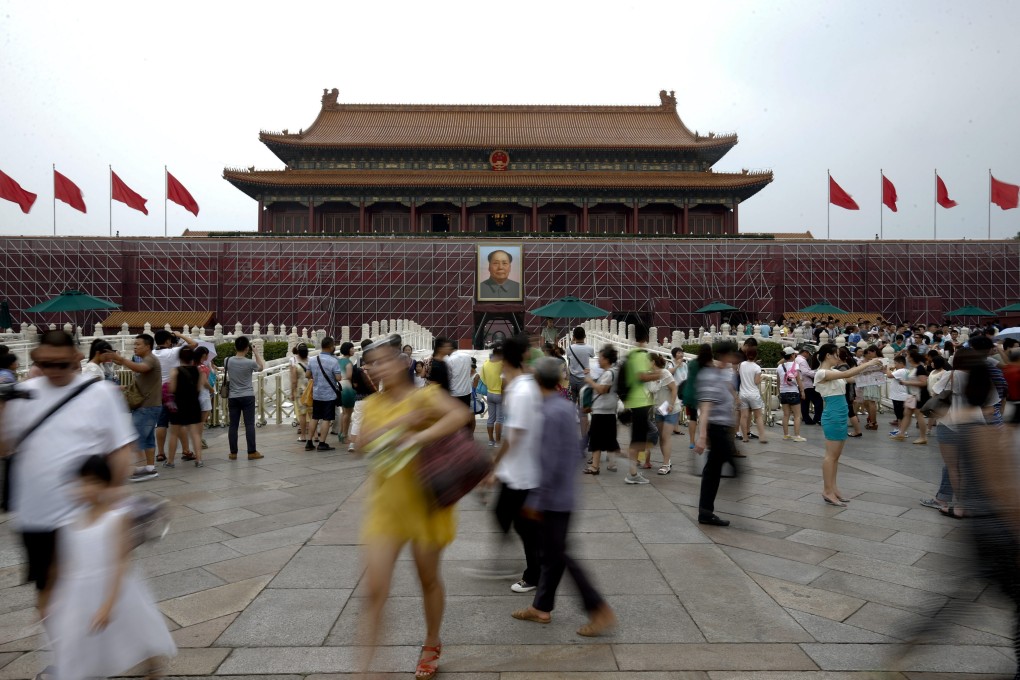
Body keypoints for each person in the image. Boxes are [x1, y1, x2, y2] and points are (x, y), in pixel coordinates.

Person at [354, 335, 473, 679]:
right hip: (386, 506)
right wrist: (393, 426)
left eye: (383, 361)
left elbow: (461, 415)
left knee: (428, 579)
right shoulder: (372, 404)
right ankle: (367, 668)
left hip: (426, 503)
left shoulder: (426, 396)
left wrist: (419, 434)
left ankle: (432, 641)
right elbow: (361, 445)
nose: (376, 369)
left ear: (402, 362)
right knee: (374, 588)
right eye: (370, 364)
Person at [0, 330, 136, 620]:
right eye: (46, 364)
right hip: (36, 514)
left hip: (84, 515)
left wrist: (113, 492)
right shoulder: (23, 394)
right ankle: (61, 646)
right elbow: (4, 448)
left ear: (76, 357)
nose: (54, 371)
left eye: (62, 364)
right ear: (36, 358)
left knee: (92, 586)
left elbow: (121, 448)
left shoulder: (99, 393)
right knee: (46, 590)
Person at [510, 357, 616, 637]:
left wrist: (536, 499)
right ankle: (541, 607)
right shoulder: (565, 407)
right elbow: (576, 449)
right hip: (565, 491)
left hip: (552, 497)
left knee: (559, 555)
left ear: (537, 381)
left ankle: (598, 608)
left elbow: (549, 462)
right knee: (553, 555)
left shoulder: (547, 413)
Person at [47, 455, 176, 680]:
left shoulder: (115, 519)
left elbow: (121, 562)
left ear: (106, 486)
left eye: (94, 482)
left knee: (137, 628)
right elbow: (63, 563)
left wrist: (108, 604)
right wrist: (54, 594)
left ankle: (153, 667)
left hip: (117, 588)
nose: (86, 488)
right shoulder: (70, 522)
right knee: (79, 638)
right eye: (82, 482)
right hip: (80, 592)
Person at [483, 334, 542, 592]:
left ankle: (533, 574)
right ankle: (529, 568)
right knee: (515, 519)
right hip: (523, 468)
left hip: (522, 471)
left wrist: (495, 465)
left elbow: (513, 435)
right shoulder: (527, 385)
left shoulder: (521, 391)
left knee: (519, 521)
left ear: (504, 360)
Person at [813, 344, 884, 507]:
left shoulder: (834, 372)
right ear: (828, 355)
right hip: (833, 414)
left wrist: (875, 370)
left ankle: (833, 489)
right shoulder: (822, 373)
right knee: (831, 456)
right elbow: (847, 374)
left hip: (840, 413)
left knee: (835, 456)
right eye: (836, 355)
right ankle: (827, 490)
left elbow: (853, 378)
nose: (838, 358)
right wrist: (869, 363)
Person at [693, 342, 741, 526]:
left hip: (722, 429)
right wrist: (702, 436)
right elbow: (705, 408)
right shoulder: (710, 375)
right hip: (716, 429)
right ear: (725, 355)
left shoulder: (721, 373)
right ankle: (706, 512)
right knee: (716, 471)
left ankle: (706, 511)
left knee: (713, 470)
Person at [108, 335, 162, 482]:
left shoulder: (150, 359)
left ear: (148, 346)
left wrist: (122, 360)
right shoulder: (147, 359)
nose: (135, 347)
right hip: (149, 405)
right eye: (134, 344)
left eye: (138, 344)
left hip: (147, 406)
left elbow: (141, 368)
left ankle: (138, 470)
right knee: (148, 439)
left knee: (136, 439)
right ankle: (149, 468)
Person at [152, 330, 198, 463]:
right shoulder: (173, 352)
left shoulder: (152, 353)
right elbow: (194, 344)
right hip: (174, 391)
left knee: (161, 423)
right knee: (179, 423)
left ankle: (160, 453)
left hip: (158, 391)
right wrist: (179, 335)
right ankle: (186, 450)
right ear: (168, 340)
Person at [622, 326, 658, 485]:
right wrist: (658, 374)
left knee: (639, 438)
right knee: (639, 439)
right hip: (639, 401)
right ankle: (632, 473)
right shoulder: (640, 355)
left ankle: (634, 471)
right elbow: (641, 376)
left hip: (636, 401)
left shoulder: (632, 354)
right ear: (647, 338)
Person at [166, 347, 207, 468]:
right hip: (194, 404)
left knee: (174, 433)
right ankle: (199, 460)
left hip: (179, 404)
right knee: (195, 433)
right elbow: (199, 388)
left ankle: (170, 461)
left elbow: (172, 388)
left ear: (179, 357)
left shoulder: (175, 371)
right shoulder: (198, 371)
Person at [225, 336, 264, 461]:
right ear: (247, 348)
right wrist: (256, 353)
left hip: (233, 396)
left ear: (235, 346)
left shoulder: (227, 360)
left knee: (233, 425)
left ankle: (233, 453)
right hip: (247, 396)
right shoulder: (249, 363)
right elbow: (261, 367)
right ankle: (251, 452)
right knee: (249, 424)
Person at [584, 345, 620, 475]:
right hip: (608, 409)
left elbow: (602, 390)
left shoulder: (609, 373)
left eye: (600, 357)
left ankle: (595, 466)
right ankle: (611, 463)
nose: (598, 360)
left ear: (606, 359)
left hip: (602, 410)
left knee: (596, 438)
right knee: (609, 438)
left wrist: (590, 381)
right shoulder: (612, 371)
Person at [308, 337, 342, 452]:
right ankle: (322, 443)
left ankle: (309, 442)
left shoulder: (313, 359)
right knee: (326, 419)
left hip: (317, 393)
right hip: (329, 394)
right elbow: (338, 378)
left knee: (315, 417)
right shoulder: (334, 361)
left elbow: (307, 375)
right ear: (331, 347)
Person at [649, 353, 679, 474]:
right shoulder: (649, 376)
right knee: (662, 437)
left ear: (652, 362)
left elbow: (674, 389)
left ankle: (666, 465)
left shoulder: (665, 373)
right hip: (659, 409)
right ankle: (667, 461)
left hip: (670, 408)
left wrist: (671, 404)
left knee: (666, 436)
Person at [736, 345, 768, 445]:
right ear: (756, 355)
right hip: (753, 394)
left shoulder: (741, 365)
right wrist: (762, 377)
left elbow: (739, 375)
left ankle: (745, 437)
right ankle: (762, 436)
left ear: (746, 354)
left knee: (743, 416)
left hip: (743, 393)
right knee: (758, 416)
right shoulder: (757, 367)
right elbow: (756, 381)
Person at [682, 345, 711, 451]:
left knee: (692, 418)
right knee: (705, 417)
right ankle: (705, 440)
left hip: (690, 394)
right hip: (703, 394)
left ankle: (692, 442)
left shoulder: (692, 363)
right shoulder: (708, 365)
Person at [777, 347, 807, 442]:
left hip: (783, 392)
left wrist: (779, 392)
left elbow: (778, 382)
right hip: (793, 391)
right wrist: (802, 391)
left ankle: (786, 435)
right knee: (797, 415)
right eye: (794, 354)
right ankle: (797, 436)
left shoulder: (779, 367)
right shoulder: (795, 365)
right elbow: (798, 380)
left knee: (786, 415)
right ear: (792, 355)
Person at [479, 345, 505, 447]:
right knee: (499, 419)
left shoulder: (486, 364)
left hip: (489, 393)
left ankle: (490, 440)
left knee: (490, 418)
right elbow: (505, 379)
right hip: (500, 393)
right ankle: (498, 441)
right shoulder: (502, 364)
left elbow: (483, 379)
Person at [836, 347, 864, 438]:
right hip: (846, 392)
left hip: (845, 393)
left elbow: (845, 380)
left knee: (850, 412)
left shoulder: (843, 367)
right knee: (849, 412)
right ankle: (856, 430)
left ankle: (857, 431)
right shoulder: (844, 366)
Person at [337, 342, 358, 444]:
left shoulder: (339, 361)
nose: (353, 350)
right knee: (348, 413)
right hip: (348, 388)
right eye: (352, 348)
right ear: (348, 350)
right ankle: (344, 435)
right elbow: (349, 376)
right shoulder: (349, 363)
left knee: (344, 412)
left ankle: (341, 433)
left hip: (340, 387)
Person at [193, 346, 214, 450]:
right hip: (203, 394)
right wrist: (211, 389)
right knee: (202, 420)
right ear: (204, 355)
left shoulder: (192, 365)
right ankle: (199, 440)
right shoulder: (203, 367)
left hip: (194, 394)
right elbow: (204, 382)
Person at [290, 343, 311, 443]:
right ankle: (314, 435)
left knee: (302, 414)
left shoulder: (295, 364)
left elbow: (294, 381)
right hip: (311, 390)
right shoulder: (311, 361)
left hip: (300, 391)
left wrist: (292, 392)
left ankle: (303, 436)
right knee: (312, 414)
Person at [858, 345, 883, 430]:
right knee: (866, 402)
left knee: (871, 402)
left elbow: (864, 369)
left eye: (870, 353)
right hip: (867, 382)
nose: (869, 354)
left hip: (873, 382)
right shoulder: (872, 360)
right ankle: (871, 418)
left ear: (874, 352)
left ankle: (873, 422)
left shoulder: (879, 360)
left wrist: (866, 367)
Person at [796, 347, 821, 425]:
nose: (809, 356)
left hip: (801, 383)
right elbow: (806, 372)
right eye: (808, 354)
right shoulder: (802, 361)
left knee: (805, 403)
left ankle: (807, 419)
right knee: (818, 401)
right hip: (807, 384)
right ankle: (817, 418)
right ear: (805, 352)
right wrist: (817, 373)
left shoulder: (797, 359)